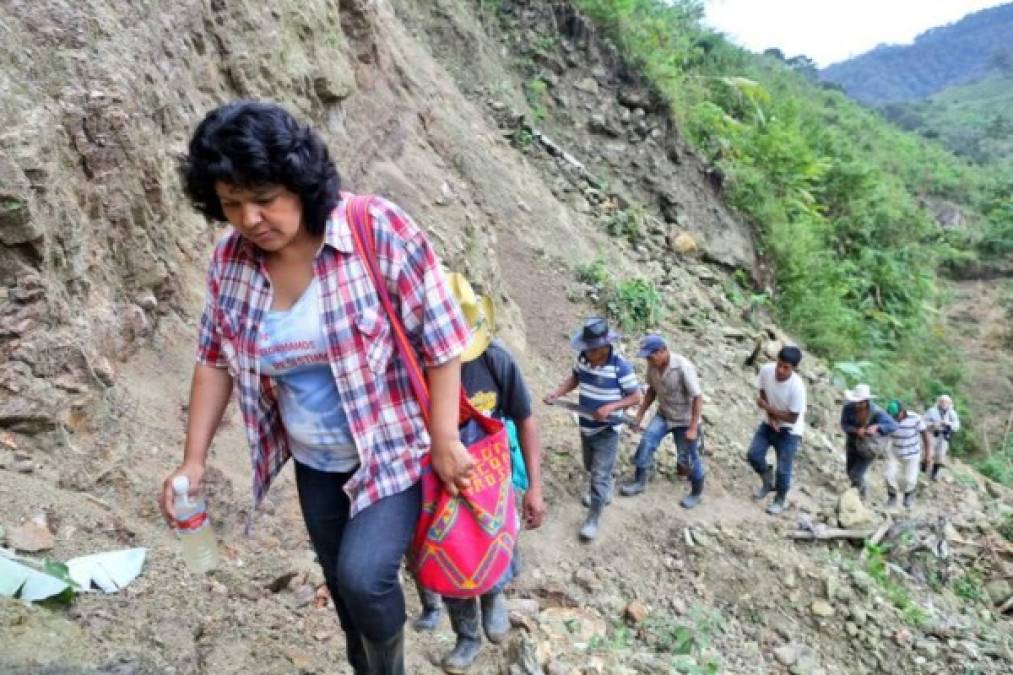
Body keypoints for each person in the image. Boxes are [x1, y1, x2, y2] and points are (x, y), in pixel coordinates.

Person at [157, 101, 475, 675]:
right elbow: (213, 361)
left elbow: (443, 341)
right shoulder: (230, 263)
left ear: (300, 182)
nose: (250, 218)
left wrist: (446, 437)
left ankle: (389, 667)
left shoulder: (375, 228)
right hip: (315, 461)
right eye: (231, 204)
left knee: (363, 576)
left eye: (264, 197)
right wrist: (193, 461)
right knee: (341, 586)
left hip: (393, 449)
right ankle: (367, 665)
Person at [413, 273, 547, 673]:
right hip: (439, 479)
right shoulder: (414, 364)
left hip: (490, 474)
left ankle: (494, 598)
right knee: (450, 551)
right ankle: (467, 635)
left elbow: (525, 419)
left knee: (495, 539)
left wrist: (534, 487)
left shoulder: (495, 359)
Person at [544, 317, 641, 541]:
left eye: (590, 350)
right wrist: (557, 393)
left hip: (607, 430)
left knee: (598, 476)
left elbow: (636, 397)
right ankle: (606, 484)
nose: (586, 354)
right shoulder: (583, 360)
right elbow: (575, 378)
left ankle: (593, 519)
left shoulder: (620, 367)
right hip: (586, 425)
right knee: (590, 466)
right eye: (585, 349)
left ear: (604, 347)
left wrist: (611, 407)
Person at [621, 335, 705, 509]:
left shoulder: (683, 367)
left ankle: (696, 493)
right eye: (647, 357)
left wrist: (693, 427)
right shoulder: (653, 366)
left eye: (650, 356)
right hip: (664, 415)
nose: (648, 360)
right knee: (646, 442)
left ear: (662, 351)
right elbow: (652, 391)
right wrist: (640, 414)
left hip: (685, 420)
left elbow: (698, 397)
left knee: (688, 458)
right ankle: (640, 481)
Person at [746, 346, 806, 515]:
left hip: (790, 430)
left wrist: (768, 408)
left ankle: (780, 499)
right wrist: (770, 415)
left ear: (794, 368)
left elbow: (792, 418)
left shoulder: (798, 387)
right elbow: (763, 390)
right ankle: (767, 480)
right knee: (754, 455)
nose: (780, 370)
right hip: (769, 423)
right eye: (779, 364)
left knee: (784, 469)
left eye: (786, 367)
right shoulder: (766, 370)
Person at [840, 384, 897, 500]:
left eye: (860, 402)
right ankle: (857, 492)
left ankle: (860, 496)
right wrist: (856, 431)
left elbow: (893, 425)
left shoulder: (877, 412)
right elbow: (844, 424)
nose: (857, 405)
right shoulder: (848, 408)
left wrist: (877, 427)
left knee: (857, 473)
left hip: (869, 447)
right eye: (856, 402)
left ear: (866, 401)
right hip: (852, 442)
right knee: (850, 471)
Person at [884, 400, 932, 508]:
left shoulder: (915, 418)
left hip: (912, 453)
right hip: (894, 452)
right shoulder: (887, 418)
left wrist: (927, 455)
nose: (894, 418)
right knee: (889, 475)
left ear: (902, 412)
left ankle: (908, 496)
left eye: (896, 416)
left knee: (910, 479)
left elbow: (925, 436)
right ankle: (892, 497)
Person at [923, 394, 960, 481]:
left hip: (943, 436)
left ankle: (934, 474)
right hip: (932, 433)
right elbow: (923, 421)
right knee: (928, 453)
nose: (944, 403)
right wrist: (933, 424)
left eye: (946, 402)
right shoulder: (932, 411)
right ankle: (923, 471)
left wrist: (948, 423)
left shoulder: (952, 413)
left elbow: (957, 425)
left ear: (949, 403)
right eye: (942, 401)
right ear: (939, 402)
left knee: (940, 456)